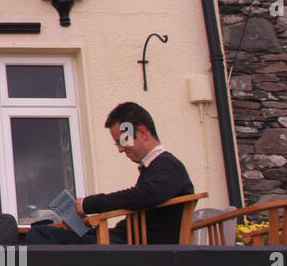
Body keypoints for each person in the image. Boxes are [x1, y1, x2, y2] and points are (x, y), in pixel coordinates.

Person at [26, 102, 194, 245]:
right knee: (43, 229)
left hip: (136, 248)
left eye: (122, 141)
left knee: (41, 235)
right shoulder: (158, 167)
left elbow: (143, 195)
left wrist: (89, 205)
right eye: (117, 144)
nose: (121, 149)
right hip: (126, 240)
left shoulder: (168, 166)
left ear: (142, 132)